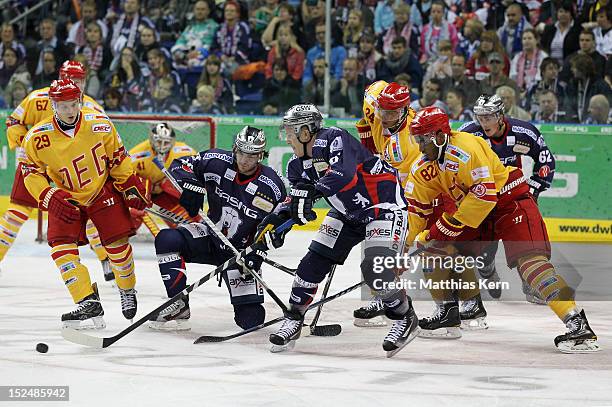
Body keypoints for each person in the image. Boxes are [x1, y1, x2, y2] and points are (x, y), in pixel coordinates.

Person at [406, 106, 600, 353]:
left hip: (509, 203)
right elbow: (418, 210)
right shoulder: (425, 167)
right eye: (416, 140)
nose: (420, 147)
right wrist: (407, 245)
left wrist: (434, 233)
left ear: (440, 136)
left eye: (423, 140)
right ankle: (448, 314)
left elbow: (483, 197)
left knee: (532, 265)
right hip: (479, 212)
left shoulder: (466, 149)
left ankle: (577, 324)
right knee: (434, 249)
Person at [267, 104, 419, 356]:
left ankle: (404, 317)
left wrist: (313, 190)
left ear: (306, 131)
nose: (288, 137)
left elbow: (343, 175)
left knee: (375, 269)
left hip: (383, 207)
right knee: (310, 265)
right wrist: (277, 219)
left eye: (291, 131)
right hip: (347, 214)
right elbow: (297, 201)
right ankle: (294, 319)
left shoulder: (333, 138)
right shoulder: (295, 166)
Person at [21, 79, 151, 328]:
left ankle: (127, 289)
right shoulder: (37, 138)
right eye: (63, 106)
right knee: (60, 248)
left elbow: (117, 157)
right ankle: (87, 301)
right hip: (66, 197)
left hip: (101, 189)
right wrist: (48, 195)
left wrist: (130, 183)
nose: (70, 111)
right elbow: (30, 172)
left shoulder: (99, 124)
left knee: (117, 245)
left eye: (73, 104)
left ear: (79, 101)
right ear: (53, 105)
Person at [148, 126, 287, 331]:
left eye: (251, 155)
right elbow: (179, 165)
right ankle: (178, 304)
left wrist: (258, 249)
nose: (244, 160)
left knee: (251, 321)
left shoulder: (272, 186)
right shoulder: (216, 161)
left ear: (260, 155)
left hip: (240, 254)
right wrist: (192, 186)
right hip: (209, 236)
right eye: (241, 152)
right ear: (234, 149)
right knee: (167, 239)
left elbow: (281, 222)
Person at [1, 61, 113, 281]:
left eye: (79, 80)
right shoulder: (37, 98)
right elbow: (13, 120)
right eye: (70, 79)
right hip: (36, 166)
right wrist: (26, 145)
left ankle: (105, 258)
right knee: (16, 214)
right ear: (60, 77)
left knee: (90, 215)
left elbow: (106, 137)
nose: (75, 84)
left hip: (73, 169)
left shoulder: (92, 107)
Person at [459, 94, 556, 303]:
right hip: (483, 199)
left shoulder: (523, 132)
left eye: (488, 117)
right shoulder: (467, 134)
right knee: (484, 251)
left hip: (513, 195)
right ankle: (486, 270)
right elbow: (450, 165)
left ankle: (531, 284)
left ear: (500, 115)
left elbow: (545, 159)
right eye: (479, 117)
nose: (483, 123)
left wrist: (533, 189)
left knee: (526, 242)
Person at [129, 123, 198, 235]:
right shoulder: (135, 155)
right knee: (128, 224)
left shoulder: (185, 152)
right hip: (141, 193)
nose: (161, 146)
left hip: (163, 192)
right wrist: (144, 189)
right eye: (158, 141)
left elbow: (196, 174)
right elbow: (124, 178)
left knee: (185, 224)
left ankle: (188, 244)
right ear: (151, 139)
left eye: (165, 142)